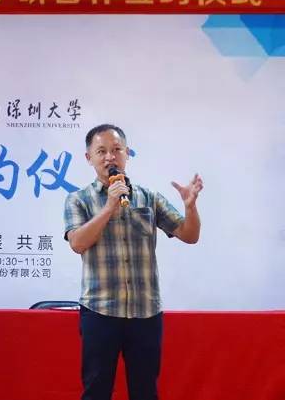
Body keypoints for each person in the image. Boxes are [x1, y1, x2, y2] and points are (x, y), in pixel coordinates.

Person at [63, 124, 203, 400]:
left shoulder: (149, 198)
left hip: (145, 313)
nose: (110, 157)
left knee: (145, 392)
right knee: (96, 391)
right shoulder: (78, 200)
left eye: (117, 150)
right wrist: (109, 207)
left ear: (127, 153)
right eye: (101, 151)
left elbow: (189, 235)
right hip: (100, 311)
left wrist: (190, 207)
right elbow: (77, 243)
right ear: (89, 158)